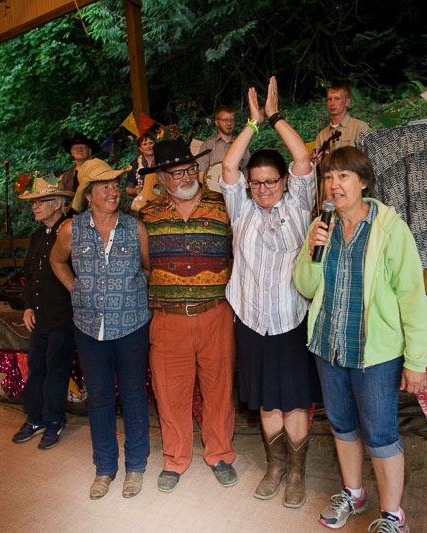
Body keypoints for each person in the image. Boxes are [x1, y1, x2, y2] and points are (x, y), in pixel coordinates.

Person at [293, 147, 427, 533]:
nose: (334, 185)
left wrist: (416, 360)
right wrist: (313, 252)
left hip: (375, 353)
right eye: (328, 177)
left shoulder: (390, 228)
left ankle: (392, 516)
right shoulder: (321, 227)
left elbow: (412, 296)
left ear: (364, 182)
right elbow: (305, 287)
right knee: (342, 426)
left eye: (343, 176)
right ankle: (354, 494)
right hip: (329, 346)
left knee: (380, 433)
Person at [221, 76, 321, 509]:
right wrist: (251, 123)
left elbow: (302, 157)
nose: (264, 189)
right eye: (257, 182)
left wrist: (276, 117)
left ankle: (296, 472)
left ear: (284, 181)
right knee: (266, 401)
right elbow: (228, 167)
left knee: (295, 401)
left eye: (271, 181)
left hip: (291, 318)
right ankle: (275, 466)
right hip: (250, 320)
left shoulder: (299, 205)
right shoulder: (240, 207)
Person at [138, 139, 237, 493]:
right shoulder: (147, 215)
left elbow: (238, 253)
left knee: (219, 389)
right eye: (177, 173)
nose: (187, 177)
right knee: (170, 393)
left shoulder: (224, 206)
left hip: (216, 314)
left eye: (190, 169)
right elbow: (145, 265)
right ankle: (175, 458)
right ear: (161, 178)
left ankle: (220, 453)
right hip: (168, 319)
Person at [50, 158, 152, 500]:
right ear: (88, 195)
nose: (113, 192)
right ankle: (105, 467)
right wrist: (76, 289)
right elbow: (57, 261)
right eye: (104, 187)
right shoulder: (71, 229)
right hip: (89, 327)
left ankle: (136, 466)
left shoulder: (135, 228)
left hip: (132, 325)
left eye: (115, 185)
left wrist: (131, 296)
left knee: (134, 394)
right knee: (100, 398)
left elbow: (148, 269)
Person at [11, 174, 76, 451]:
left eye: (41, 201)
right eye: (33, 202)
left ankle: (54, 420)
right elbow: (29, 274)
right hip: (38, 316)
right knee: (36, 368)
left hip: (63, 316)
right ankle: (35, 417)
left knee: (56, 371)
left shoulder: (71, 231)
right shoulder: (37, 236)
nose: (35, 206)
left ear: (58, 203)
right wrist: (27, 305)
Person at [312, 83, 370, 165]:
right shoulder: (322, 134)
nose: (332, 103)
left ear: (347, 102)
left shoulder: (360, 127)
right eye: (329, 99)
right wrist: (315, 161)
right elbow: (314, 162)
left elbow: (367, 161)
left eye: (337, 98)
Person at [196, 105, 250, 189]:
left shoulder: (242, 146)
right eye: (225, 120)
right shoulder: (207, 145)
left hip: (236, 193)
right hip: (213, 194)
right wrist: (204, 194)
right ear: (216, 122)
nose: (229, 123)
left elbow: (245, 172)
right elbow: (201, 174)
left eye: (232, 120)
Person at [125, 133, 156, 197]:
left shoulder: (163, 160)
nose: (149, 146)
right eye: (145, 144)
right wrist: (135, 190)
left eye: (151, 143)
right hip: (144, 198)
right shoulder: (134, 165)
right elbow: (128, 189)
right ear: (140, 148)